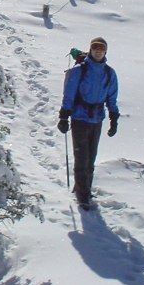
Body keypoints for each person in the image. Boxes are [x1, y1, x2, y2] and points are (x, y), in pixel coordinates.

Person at [57, 37, 119, 208]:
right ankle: (83, 196)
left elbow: (112, 97)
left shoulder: (109, 73)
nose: (98, 51)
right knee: (81, 158)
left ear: (105, 51)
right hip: (79, 118)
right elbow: (69, 94)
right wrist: (64, 116)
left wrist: (114, 119)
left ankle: (84, 188)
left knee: (91, 158)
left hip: (97, 119)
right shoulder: (79, 71)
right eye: (95, 47)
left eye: (101, 48)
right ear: (90, 50)